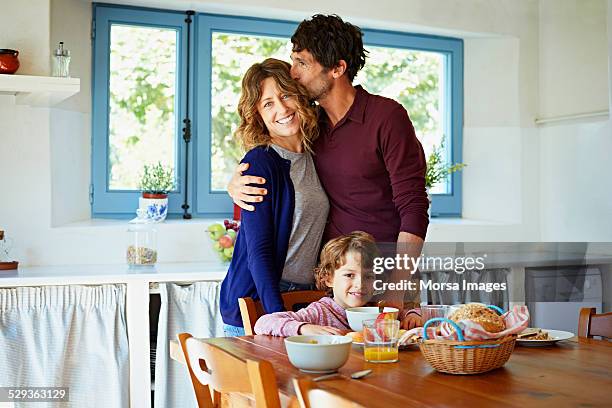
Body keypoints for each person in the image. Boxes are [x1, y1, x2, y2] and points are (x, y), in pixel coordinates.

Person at [228, 15, 429, 328]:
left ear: (337, 68)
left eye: (302, 63)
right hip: (333, 288)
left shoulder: (386, 116)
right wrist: (235, 182)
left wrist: (398, 287)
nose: (292, 73)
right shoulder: (312, 128)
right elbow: (273, 160)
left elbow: (414, 206)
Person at [219, 58, 329, 336]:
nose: (282, 108)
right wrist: (279, 318)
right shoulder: (260, 163)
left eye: (286, 95)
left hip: (303, 300)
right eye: (268, 103)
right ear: (257, 114)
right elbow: (259, 252)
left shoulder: (316, 154)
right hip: (258, 304)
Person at [254, 231, 421, 336]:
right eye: (349, 275)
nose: (360, 284)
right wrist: (304, 328)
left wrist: (413, 316)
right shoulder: (320, 313)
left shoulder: (377, 309)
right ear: (329, 278)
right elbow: (263, 323)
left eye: (369, 276)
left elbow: (415, 313)